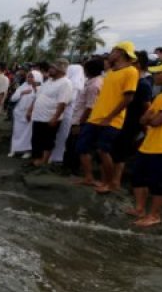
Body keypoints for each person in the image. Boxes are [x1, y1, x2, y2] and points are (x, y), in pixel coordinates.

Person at [76, 41, 139, 193]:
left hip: (111, 119)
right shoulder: (111, 72)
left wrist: (110, 117)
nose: (111, 53)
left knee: (103, 151)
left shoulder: (131, 71)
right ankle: (89, 177)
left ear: (120, 52)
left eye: (113, 50)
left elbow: (128, 98)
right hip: (96, 117)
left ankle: (110, 184)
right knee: (82, 146)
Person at [126, 61, 162, 227]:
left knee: (158, 182)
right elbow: (144, 118)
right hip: (149, 144)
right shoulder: (160, 96)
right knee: (137, 177)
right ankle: (140, 208)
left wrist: (152, 118)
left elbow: (156, 121)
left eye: (159, 73)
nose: (156, 76)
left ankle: (154, 215)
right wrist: (152, 118)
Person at [110, 51, 154, 190]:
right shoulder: (128, 81)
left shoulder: (143, 85)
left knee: (120, 152)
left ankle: (116, 181)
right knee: (113, 149)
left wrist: (145, 128)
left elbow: (148, 108)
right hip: (119, 120)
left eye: (130, 62)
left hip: (131, 124)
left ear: (137, 65)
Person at [27, 59, 73, 168]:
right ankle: (35, 161)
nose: (50, 70)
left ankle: (43, 163)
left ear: (60, 70)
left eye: (53, 68)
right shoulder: (49, 81)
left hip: (50, 117)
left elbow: (63, 103)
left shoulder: (66, 83)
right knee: (36, 139)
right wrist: (30, 110)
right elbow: (39, 95)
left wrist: (55, 118)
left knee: (47, 141)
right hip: (38, 116)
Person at [66, 58, 105, 176]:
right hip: (81, 117)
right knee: (73, 144)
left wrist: (79, 123)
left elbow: (90, 107)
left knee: (76, 146)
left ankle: (74, 169)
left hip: (82, 120)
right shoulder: (95, 81)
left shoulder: (94, 85)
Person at [8, 71, 42, 158]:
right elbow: (13, 98)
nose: (29, 79)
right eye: (28, 77)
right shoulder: (23, 86)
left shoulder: (39, 88)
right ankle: (14, 149)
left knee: (28, 134)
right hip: (19, 113)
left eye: (32, 77)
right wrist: (22, 93)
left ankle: (27, 151)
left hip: (30, 114)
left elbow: (38, 100)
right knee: (17, 132)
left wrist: (35, 90)